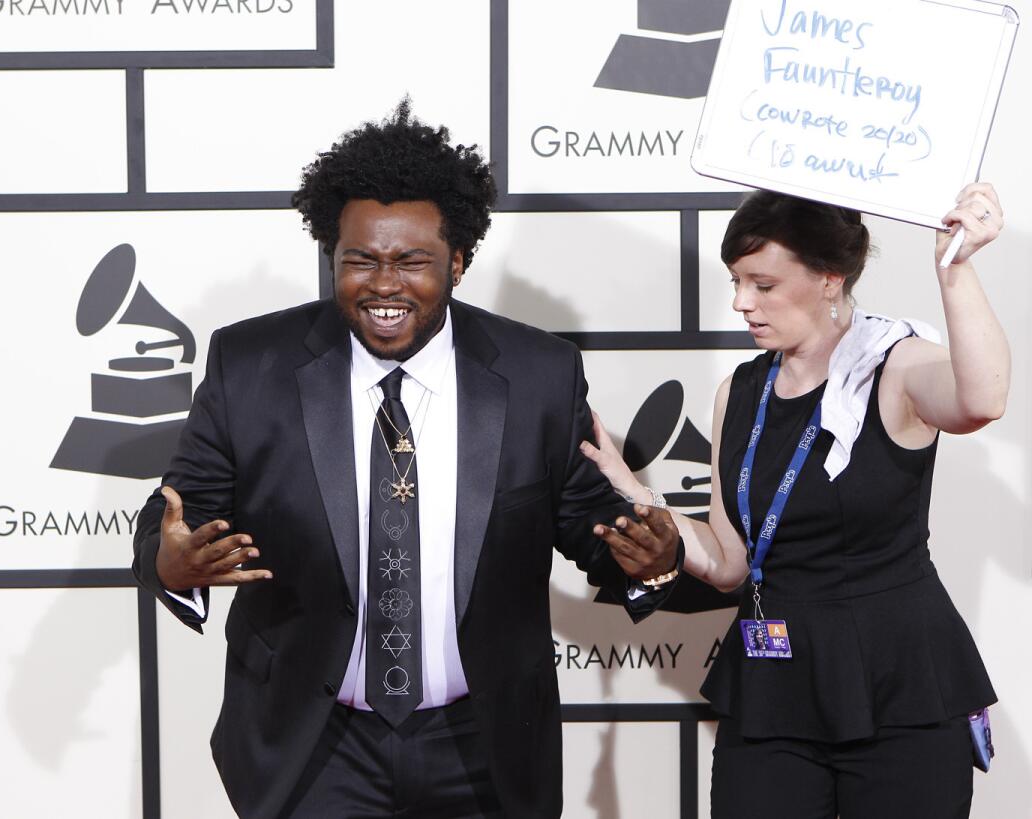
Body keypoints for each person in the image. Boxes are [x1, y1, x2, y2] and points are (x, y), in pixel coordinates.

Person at [131, 101, 684, 819]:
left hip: (482, 745)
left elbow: (597, 527)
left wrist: (652, 559)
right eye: (359, 259)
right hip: (314, 746)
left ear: (458, 261)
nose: (383, 284)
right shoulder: (251, 366)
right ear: (332, 255)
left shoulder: (537, 374)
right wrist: (173, 563)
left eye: (411, 261)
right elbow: (171, 519)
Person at [583, 185, 1008, 818]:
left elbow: (982, 399)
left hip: (901, 687)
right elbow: (730, 561)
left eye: (762, 285)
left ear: (830, 279)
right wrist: (639, 495)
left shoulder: (890, 367)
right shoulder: (743, 389)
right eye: (736, 282)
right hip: (772, 686)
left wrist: (957, 269)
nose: (740, 303)